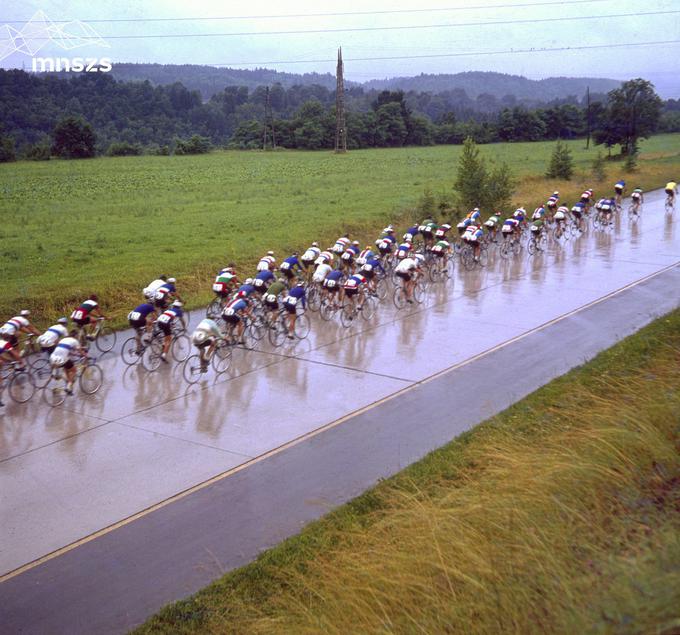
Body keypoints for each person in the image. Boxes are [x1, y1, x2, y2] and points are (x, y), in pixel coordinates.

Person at [49, 329, 87, 395]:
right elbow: (80, 352)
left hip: (52, 358)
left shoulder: (63, 340)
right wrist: (85, 356)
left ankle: (66, 380)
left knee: (67, 367)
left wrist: (76, 354)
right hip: (61, 359)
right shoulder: (74, 341)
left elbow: (68, 352)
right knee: (74, 370)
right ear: (75, 336)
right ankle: (68, 387)